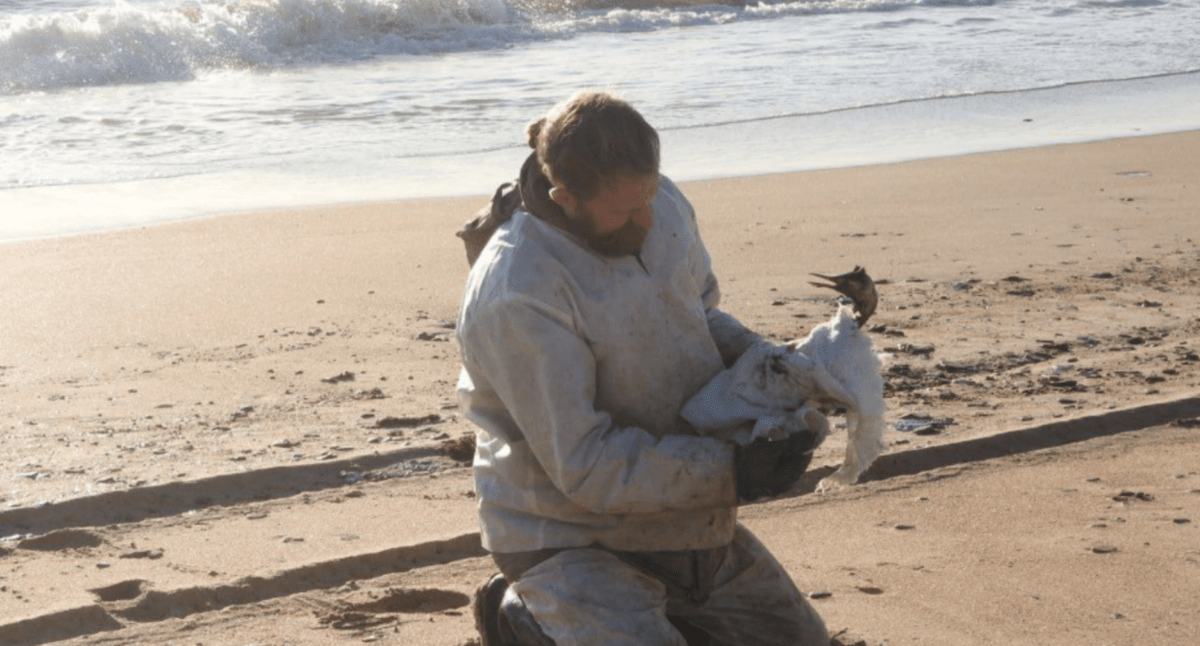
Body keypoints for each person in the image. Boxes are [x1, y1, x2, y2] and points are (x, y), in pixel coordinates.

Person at [455, 90, 829, 646]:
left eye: (649, 194)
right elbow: (583, 462)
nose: (646, 218)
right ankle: (522, 614)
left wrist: (774, 366)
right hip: (567, 532)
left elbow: (702, 316)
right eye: (625, 210)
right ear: (563, 197)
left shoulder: (663, 205)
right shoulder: (520, 288)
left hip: (686, 520)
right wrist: (731, 472)